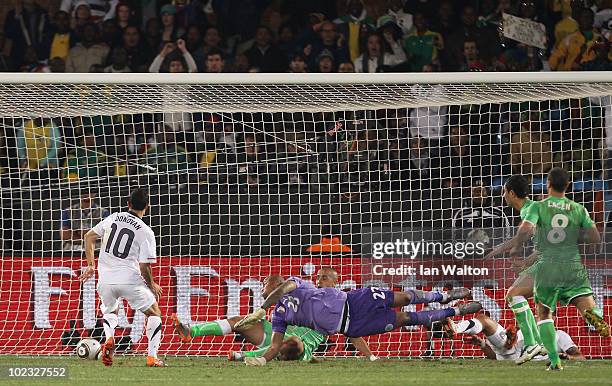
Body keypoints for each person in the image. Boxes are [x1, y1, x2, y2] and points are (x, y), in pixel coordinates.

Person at [486, 167, 609, 370]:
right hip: (573, 265)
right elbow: (595, 239)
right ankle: (595, 315)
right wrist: (528, 261)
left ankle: (537, 347)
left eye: (504, 192)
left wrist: (506, 248)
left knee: (528, 303)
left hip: (549, 265)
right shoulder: (577, 208)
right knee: (585, 307)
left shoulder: (534, 208)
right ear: (567, 185)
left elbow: (525, 232)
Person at [234, 276, 481, 365]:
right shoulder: (279, 315)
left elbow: (284, 288)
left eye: (265, 283)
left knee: (404, 297)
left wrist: (262, 307)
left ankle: (444, 296)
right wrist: (261, 360)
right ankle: (456, 313)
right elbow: (276, 345)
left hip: (355, 301)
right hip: (351, 326)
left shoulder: (294, 284)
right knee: (406, 318)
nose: (262, 287)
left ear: (274, 284)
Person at [171, 268, 377, 362]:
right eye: (319, 277)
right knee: (238, 320)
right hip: (275, 337)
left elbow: (352, 333)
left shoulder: (339, 304)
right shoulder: (305, 293)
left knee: (294, 342)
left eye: (325, 278)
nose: (320, 280)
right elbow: (280, 296)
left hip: (298, 348)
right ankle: (192, 332)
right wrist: (269, 290)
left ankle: (244, 356)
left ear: (335, 283)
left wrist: (371, 356)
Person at [79, 188, 166, 367]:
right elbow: (144, 266)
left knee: (110, 311)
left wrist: (90, 265)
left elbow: (88, 237)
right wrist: (152, 284)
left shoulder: (113, 217)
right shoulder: (146, 232)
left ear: (128, 204)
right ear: (147, 207)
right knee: (154, 313)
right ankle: (152, 356)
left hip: (105, 280)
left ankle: (109, 339)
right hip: (129, 279)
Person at [497, 175, 545, 364]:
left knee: (514, 294)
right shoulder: (532, 208)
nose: (503, 196)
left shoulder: (529, 210)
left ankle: (533, 345)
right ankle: (537, 347)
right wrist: (527, 262)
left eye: (504, 192)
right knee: (516, 294)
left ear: (511, 193)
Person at [441, 314, 584, 362]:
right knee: (484, 320)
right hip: (511, 356)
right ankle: (456, 328)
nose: (536, 317)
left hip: (524, 364)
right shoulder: (520, 332)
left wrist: (566, 357)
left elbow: (580, 357)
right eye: (536, 314)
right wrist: (482, 345)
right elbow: (498, 357)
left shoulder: (559, 335)